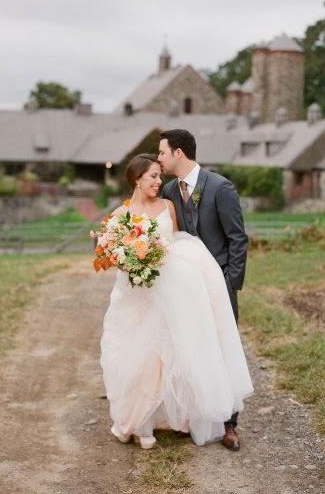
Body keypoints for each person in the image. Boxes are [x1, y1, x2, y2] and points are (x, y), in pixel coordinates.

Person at [100, 153, 253, 450]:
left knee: (169, 353)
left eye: (160, 175)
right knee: (136, 353)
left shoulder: (167, 206)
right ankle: (139, 422)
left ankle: (176, 417)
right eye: (153, 176)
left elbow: (178, 242)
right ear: (137, 179)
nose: (159, 181)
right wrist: (131, 262)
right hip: (136, 295)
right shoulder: (121, 214)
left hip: (167, 291)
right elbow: (113, 254)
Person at [158, 129, 248, 451]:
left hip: (218, 283)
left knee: (224, 348)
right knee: (192, 347)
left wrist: (230, 283)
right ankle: (197, 414)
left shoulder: (220, 187)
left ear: (178, 152)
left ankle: (229, 423)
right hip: (185, 287)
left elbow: (238, 239)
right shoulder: (169, 190)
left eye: (162, 152)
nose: (159, 158)